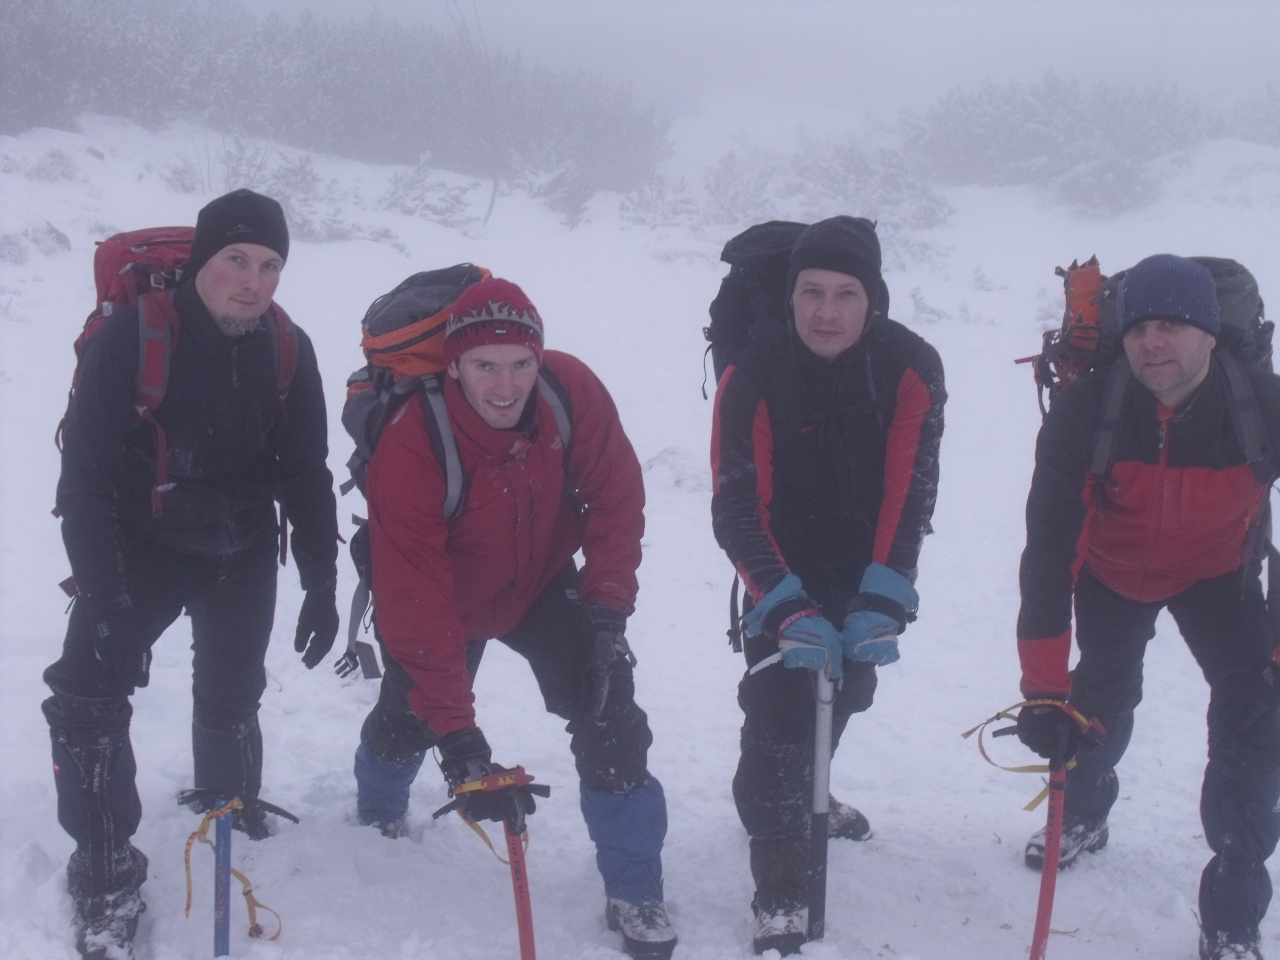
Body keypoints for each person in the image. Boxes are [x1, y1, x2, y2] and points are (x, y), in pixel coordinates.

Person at [43, 189, 341, 960]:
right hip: (145, 544)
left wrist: (320, 579)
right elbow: (83, 479)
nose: (252, 280)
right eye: (235, 260)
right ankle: (106, 871)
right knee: (85, 696)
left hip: (243, 545)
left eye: (270, 264)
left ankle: (230, 805)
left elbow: (307, 469)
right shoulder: (132, 339)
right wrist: (105, 601)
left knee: (233, 692)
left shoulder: (287, 345)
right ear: (201, 263)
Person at [352, 276, 677, 959]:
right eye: (484, 366)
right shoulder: (413, 444)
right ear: (453, 365)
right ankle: (376, 815)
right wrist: (461, 739)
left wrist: (607, 613)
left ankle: (635, 888)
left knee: (609, 708)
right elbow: (413, 601)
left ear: (540, 358)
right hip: (445, 596)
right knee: (411, 713)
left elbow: (616, 498)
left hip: (539, 581)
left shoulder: (570, 392)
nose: (506, 386)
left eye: (521, 364)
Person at [1015, 253, 1280, 960]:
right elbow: (1048, 547)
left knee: (1256, 717)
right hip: (1113, 573)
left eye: (1172, 325)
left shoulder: (1263, 404)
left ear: (1212, 333)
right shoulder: (1089, 408)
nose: (1151, 342)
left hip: (1218, 576)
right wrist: (1043, 690)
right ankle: (1084, 813)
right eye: (1138, 328)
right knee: (1098, 698)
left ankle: (1232, 913)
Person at [710, 216, 946, 954]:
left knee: (848, 690)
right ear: (789, 296)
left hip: (866, 559)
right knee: (781, 711)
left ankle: (812, 783)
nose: (826, 311)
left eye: (846, 293)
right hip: (779, 562)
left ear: (872, 299)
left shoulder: (910, 365)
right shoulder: (753, 373)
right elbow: (736, 506)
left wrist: (883, 592)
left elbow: (912, 488)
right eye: (811, 291)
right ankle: (781, 882)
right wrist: (782, 604)